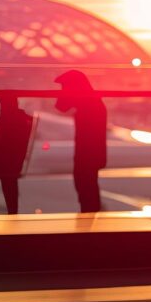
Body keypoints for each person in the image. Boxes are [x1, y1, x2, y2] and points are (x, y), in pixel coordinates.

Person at [54, 70, 106, 213]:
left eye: (65, 87)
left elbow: (60, 106)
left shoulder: (88, 103)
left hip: (87, 153)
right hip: (90, 153)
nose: (63, 90)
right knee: (87, 186)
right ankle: (90, 218)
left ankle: (89, 218)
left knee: (84, 185)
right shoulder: (92, 101)